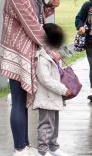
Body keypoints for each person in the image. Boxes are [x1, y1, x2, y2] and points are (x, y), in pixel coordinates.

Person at [0, 0, 60, 156]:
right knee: (18, 99)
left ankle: (24, 145)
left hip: (27, 51)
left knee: (22, 100)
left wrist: (49, 6)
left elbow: (36, 16)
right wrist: (51, 49)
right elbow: (32, 26)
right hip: (17, 53)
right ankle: (20, 147)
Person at [33, 23, 71, 156]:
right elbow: (45, 79)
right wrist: (62, 89)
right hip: (46, 97)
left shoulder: (53, 55)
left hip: (54, 96)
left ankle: (53, 147)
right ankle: (42, 151)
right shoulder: (42, 58)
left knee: (54, 124)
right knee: (46, 125)